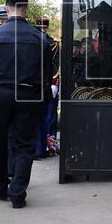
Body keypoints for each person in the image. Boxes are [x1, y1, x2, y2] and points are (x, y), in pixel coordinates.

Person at [0, 0, 55, 209]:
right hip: (30, 94)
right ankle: (18, 192)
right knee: (25, 144)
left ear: (7, 8)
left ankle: (0, 188)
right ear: (26, 10)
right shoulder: (40, 38)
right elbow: (49, 71)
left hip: (1, 93)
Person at [34, 18, 60, 160]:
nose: (43, 30)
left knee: (49, 117)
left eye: (44, 28)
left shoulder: (54, 44)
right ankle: (39, 148)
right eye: (41, 28)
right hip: (39, 84)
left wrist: (55, 82)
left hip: (47, 83)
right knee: (42, 117)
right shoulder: (38, 42)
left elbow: (56, 64)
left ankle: (49, 145)